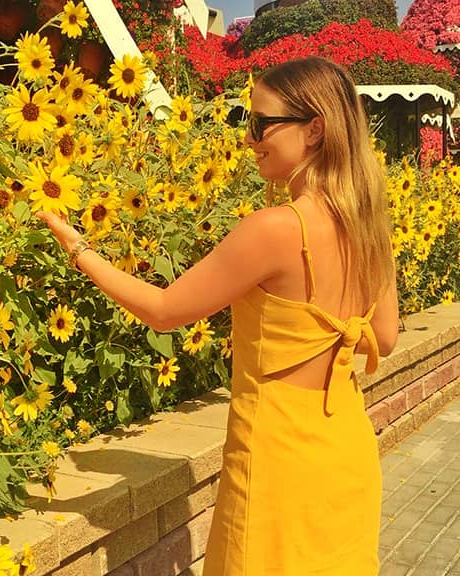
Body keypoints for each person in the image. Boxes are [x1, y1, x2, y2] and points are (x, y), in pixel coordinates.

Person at [37, 55, 399, 575]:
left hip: (277, 459)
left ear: (315, 129)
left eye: (259, 123)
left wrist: (78, 249)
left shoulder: (277, 229)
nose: (249, 139)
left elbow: (164, 312)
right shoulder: (369, 224)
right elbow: (384, 339)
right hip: (346, 448)